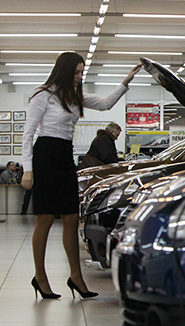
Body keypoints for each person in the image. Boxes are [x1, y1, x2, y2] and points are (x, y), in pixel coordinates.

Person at [21, 51, 142, 299]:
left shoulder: (75, 96)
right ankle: (40, 276)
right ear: (64, 71)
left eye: (81, 72)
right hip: (45, 154)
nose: (79, 76)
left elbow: (106, 103)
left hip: (65, 154)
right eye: (76, 72)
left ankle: (76, 277)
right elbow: (28, 133)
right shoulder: (43, 94)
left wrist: (126, 81)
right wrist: (27, 169)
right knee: (44, 218)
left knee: (71, 216)